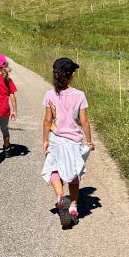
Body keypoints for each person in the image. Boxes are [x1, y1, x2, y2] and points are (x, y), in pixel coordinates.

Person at [41, 57, 94, 228]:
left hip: (56, 140)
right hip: (73, 142)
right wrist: (89, 141)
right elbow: (84, 121)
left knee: (53, 169)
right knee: (73, 174)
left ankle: (59, 197)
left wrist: (45, 140)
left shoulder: (50, 94)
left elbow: (47, 121)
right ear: (71, 75)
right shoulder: (79, 95)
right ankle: (73, 207)